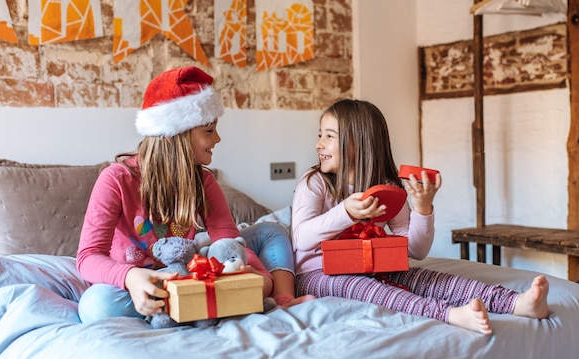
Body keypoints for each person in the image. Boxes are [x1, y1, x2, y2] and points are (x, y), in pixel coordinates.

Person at [77, 66, 312, 324]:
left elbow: (230, 241)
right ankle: (192, 305)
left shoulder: (203, 181)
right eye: (209, 131)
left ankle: (282, 300)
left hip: (191, 272)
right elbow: (88, 256)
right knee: (95, 306)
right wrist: (130, 277)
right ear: (174, 137)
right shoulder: (116, 179)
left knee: (272, 231)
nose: (218, 139)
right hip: (141, 281)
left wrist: (257, 279)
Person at [291, 98, 549, 334]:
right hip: (317, 276)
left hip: (372, 267)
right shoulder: (314, 183)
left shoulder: (385, 186)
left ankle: (517, 303)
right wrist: (346, 212)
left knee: (430, 279)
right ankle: (448, 314)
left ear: (358, 141)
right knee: (369, 291)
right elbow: (301, 239)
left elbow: (415, 250)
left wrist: (422, 207)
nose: (319, 144)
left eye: (329, 136)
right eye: (320, 135)